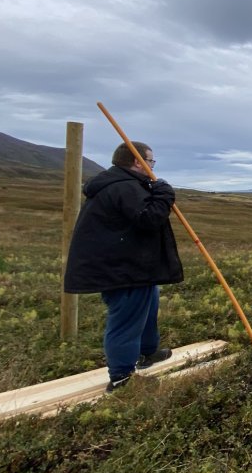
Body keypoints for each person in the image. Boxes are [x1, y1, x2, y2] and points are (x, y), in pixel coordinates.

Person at [64, 141, 184, 392]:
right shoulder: (124, 188)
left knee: (148, 306)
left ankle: (147, 353)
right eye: (150, 162)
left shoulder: (124, 185)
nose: (152, 167)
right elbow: (148, 218)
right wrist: (164, 194)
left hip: (134, 265)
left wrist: (155, 191)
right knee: (126, 320)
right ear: (138, 163)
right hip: (123, 269)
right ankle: (121, 378)